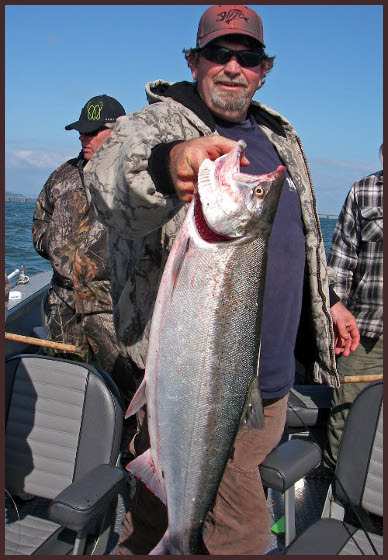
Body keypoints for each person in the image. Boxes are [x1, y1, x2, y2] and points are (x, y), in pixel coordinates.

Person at [84, 6, 360, 555]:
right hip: (197, 382)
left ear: (264, 69)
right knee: (242, 534)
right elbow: (108, 180)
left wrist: (327, 301)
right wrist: (170, 164)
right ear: (194, 60)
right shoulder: (158, 123)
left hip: (270, 384)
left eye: (248, 56)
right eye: (219, 53)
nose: (233, 66)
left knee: (152, 520)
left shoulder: (279, 136)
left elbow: (296, 236)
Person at [32, 95, 137, 456]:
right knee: (63, 387)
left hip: (113, 305)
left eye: (94, 132)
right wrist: (58, 250)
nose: (85, 139)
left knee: (126, 391)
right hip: (62, 301)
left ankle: (128, 467)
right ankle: (60, 461)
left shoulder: (134, 179)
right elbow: (39, 222)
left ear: (117, 131)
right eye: (81, 132)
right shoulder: (63, 175)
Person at [324, 144, 383, 472]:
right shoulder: (363, 192)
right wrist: (335, 319)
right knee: (346, 413)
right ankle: (341, 492)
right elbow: (342, 264)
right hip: (365, 332)